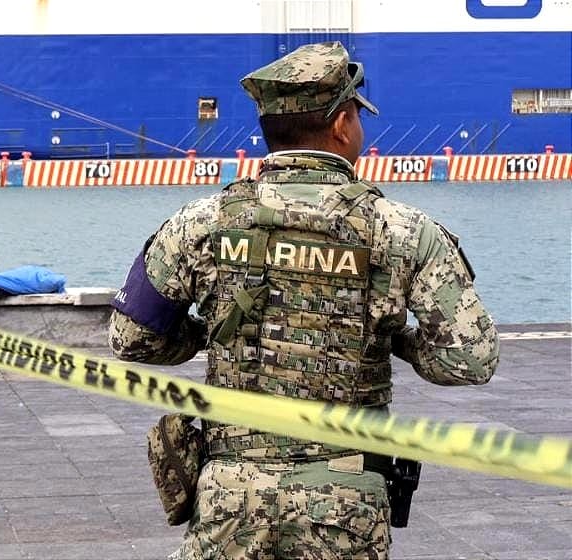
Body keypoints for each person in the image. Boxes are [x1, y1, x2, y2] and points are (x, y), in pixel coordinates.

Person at [108, 42, 500, 560]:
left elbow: (131, 339)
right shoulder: (404, 232)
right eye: (357, 116)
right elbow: (470, 361)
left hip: (231, 493)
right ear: (341, 126)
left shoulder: (200, 223)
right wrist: (394, 336)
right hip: (346, 498)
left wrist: (212, 330)